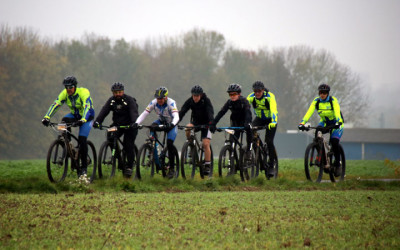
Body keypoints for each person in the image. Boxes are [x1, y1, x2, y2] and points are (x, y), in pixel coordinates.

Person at [41, 76, 95, 177]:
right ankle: (68, 144)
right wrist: (46, 117)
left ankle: (83, 169)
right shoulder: (64, 93)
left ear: (75, 86)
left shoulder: (83, 92)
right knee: (63, 121)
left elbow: (87, 106)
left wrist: (83, 119)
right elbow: (56, 104)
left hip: (87, 117)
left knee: (82, 139)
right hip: (75, 115)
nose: (68, 89)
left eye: (71, 87)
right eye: (66, 87)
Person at [93, 82, 139, 177]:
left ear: (123, 92)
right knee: (110, 136)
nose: (117, 94)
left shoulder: (129, 100)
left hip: (130, 125)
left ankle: (129, 166)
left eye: (119, 92)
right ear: (112, 93)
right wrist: (98, 121)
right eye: (115, 92)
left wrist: (134, 123)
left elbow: (134, 113)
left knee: (128, 144)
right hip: (117, 125)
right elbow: (104, 111)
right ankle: (118, 158)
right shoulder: (112, 101)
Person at [298, 83, 344, 176]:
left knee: (334, 142)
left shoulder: (332, 101)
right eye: (320, 92)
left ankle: (338, 163)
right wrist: (302, 123)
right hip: (325, 122)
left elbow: (337, 112)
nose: (322, 94)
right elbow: (309, 112)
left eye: (324, 92)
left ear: (327, 93)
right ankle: (320, 155)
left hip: (336, 122)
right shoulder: (317, 101)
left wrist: (338, 122)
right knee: (317, 132)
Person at [133, 86, 179, 178]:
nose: (159, 100)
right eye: (158, 98)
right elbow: (144, 113)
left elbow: (176, 116)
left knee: (169, 144)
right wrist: (136, 123)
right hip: (161, 121)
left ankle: (172, 169)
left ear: (166, 97)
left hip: (171, 124)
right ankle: (155, 150)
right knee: (151, 128)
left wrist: (172, 124)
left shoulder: (171, 103)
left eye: (161, 99)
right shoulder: (154, 103)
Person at [179, 85, 214, 175]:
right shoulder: (190, 101)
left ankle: (207, 165)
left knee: (206, 144)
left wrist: (211, 123)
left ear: (201, 95)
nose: (195, 98)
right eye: (194, 96)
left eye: (197, 96)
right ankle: (191, 145)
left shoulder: (206, 100)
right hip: (196, 123)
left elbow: (210, 112)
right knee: (188, 127)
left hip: (206, 124)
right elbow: (182, 111)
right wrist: (175, 122)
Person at [210, 83, 252, 158]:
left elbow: (248, 113)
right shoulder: (229, 102)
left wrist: (247, 123)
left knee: (249, 131)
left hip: (245, 121)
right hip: (235, 123)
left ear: (239, 94)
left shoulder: (244, 101)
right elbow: (221, 112)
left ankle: (249, 150)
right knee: (232, 142)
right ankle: (233, 161)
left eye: (234, 94)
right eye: (230, 94)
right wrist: (213, 123)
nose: (232, 96)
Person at [246, 81, 278, 176]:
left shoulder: (269, 96)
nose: (257, 93)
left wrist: (273, 121)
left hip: (270, 120)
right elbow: (244, 107)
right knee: (250, 130)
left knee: (269, 141)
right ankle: (254, 150)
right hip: (259, 119)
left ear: (263, 90)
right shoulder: (251, 97)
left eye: (259, 91)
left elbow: (273, 110)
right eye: (255, 91)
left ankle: (271, 165)